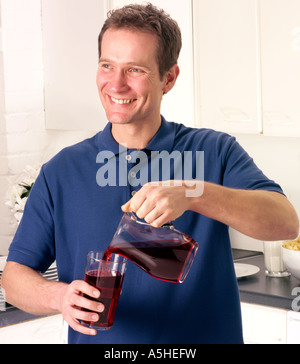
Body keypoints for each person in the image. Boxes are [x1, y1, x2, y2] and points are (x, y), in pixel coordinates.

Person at [2, 3, 299, 344]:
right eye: (107, 65)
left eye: (135, 70)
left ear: (168, 78)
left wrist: (194, 194)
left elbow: (285, 222)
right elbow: (14, 278)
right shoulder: (61, 171)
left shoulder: (213, 151)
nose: (116, 84)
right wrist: (58, 297)